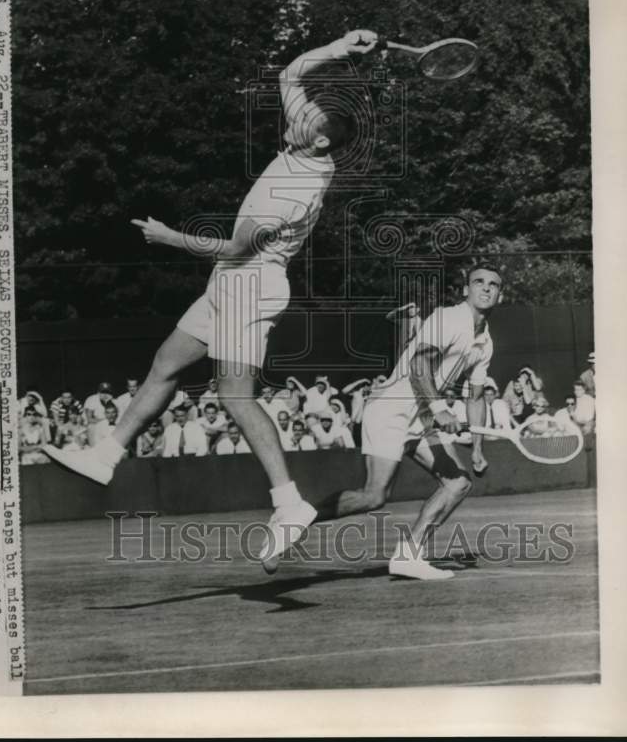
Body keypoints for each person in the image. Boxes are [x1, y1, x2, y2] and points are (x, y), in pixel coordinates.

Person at [42, 29, 376, 567]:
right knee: (165, 365)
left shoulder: (297, 190)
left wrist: (169, 237)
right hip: (228, 281)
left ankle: (288, 504)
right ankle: (106, 454)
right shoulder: (304, 140)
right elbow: (291, 74)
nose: (296, 114)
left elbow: (234, 245)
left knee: (235, 395)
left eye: (308, 118)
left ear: (319, 141)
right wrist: (341, 45)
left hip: (253, 282)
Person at [278, 262, 504, 581]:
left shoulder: (486, 343)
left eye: (493, 285)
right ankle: (298, 517)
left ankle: (408, 557)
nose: (485, 288)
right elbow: (418, 364)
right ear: (466, 289)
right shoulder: (448, 318)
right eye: (478, 282)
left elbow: (476, 397)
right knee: (373, 496)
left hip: (421, 415)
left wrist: (478, 447)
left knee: (458, 482)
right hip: (391, 408)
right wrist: (440, 408)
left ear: (500, 295)